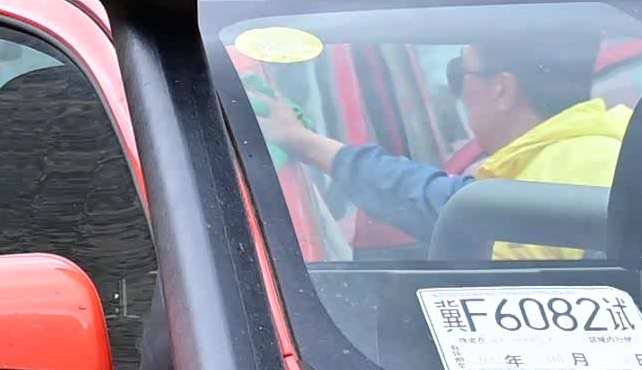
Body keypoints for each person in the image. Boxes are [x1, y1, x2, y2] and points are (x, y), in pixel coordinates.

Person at [254, 29, 620, 248]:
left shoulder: (540, 181)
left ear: (503, 90)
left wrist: (299, 139)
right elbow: (430, 197)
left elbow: (433, 202)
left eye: (460, 71)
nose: (456, 89)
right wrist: (305, 141)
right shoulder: (608, 152)